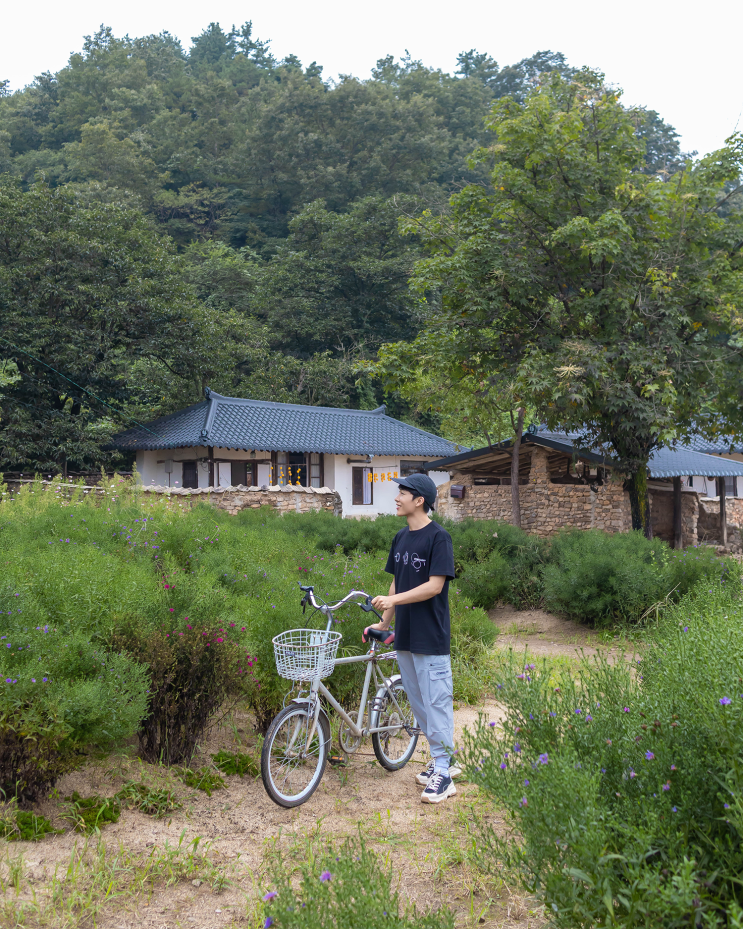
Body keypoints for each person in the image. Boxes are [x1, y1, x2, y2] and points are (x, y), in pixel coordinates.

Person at [365, 472, 460, 804]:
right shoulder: (400, 538)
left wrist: (394, 601)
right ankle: (444, 758)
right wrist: (384, 623)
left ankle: (445, 775)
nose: (397, 497)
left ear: (419, 500)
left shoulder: (438, 538)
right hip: (404, 635)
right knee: (419, 705)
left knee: (436, 702)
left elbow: (435, 586)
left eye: (402, 492)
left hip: (430, 637)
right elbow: (396, 585)